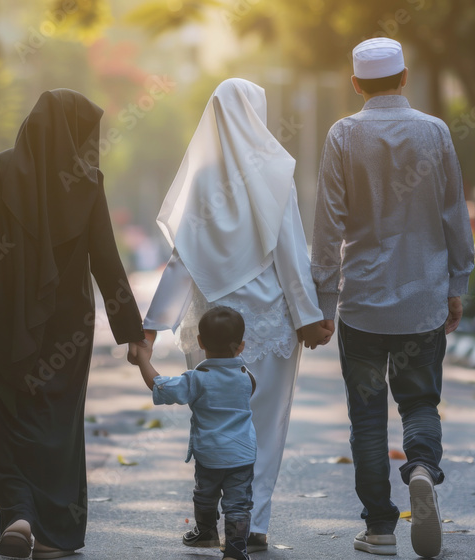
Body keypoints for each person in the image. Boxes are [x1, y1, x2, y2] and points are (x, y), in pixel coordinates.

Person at [134, 78, 332, 551]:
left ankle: (209, 520)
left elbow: (183, 260)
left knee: (214, 419)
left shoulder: (201, 178)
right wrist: (309, 314)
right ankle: (253, 524)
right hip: (267, 322)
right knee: (265, 425)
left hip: (209, 325)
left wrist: (151, 326)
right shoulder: (275, 172)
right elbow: (289, 251)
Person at [0, 89, 145, 559]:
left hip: (0, 326)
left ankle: (18, 513)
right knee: (56, 429)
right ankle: (53, 535)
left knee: (9, 423)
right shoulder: (87, 183)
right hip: (66, 334)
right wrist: (132, 332)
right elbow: (106, 262)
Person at [310, 38, 475, 558]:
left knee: (366, 415)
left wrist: (323, 301)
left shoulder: (342, 135)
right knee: (420, 401)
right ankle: (422, 467)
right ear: (405, 77)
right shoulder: (435, 132)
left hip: (361, 305)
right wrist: (457, 284)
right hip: (423, 300)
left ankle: (380, 528)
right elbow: (454, 214)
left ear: (356, 83)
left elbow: (327, 225)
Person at [132, 306, 257, 560]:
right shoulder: (247, 377)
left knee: (205, 495)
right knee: (239, 503)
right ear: (241, 346)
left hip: (210, 453)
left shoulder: (197, 379)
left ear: (200, 342)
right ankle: (236, 547)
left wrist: (143, 360)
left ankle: (206, 532)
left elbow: (160, 387)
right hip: (242, 455)